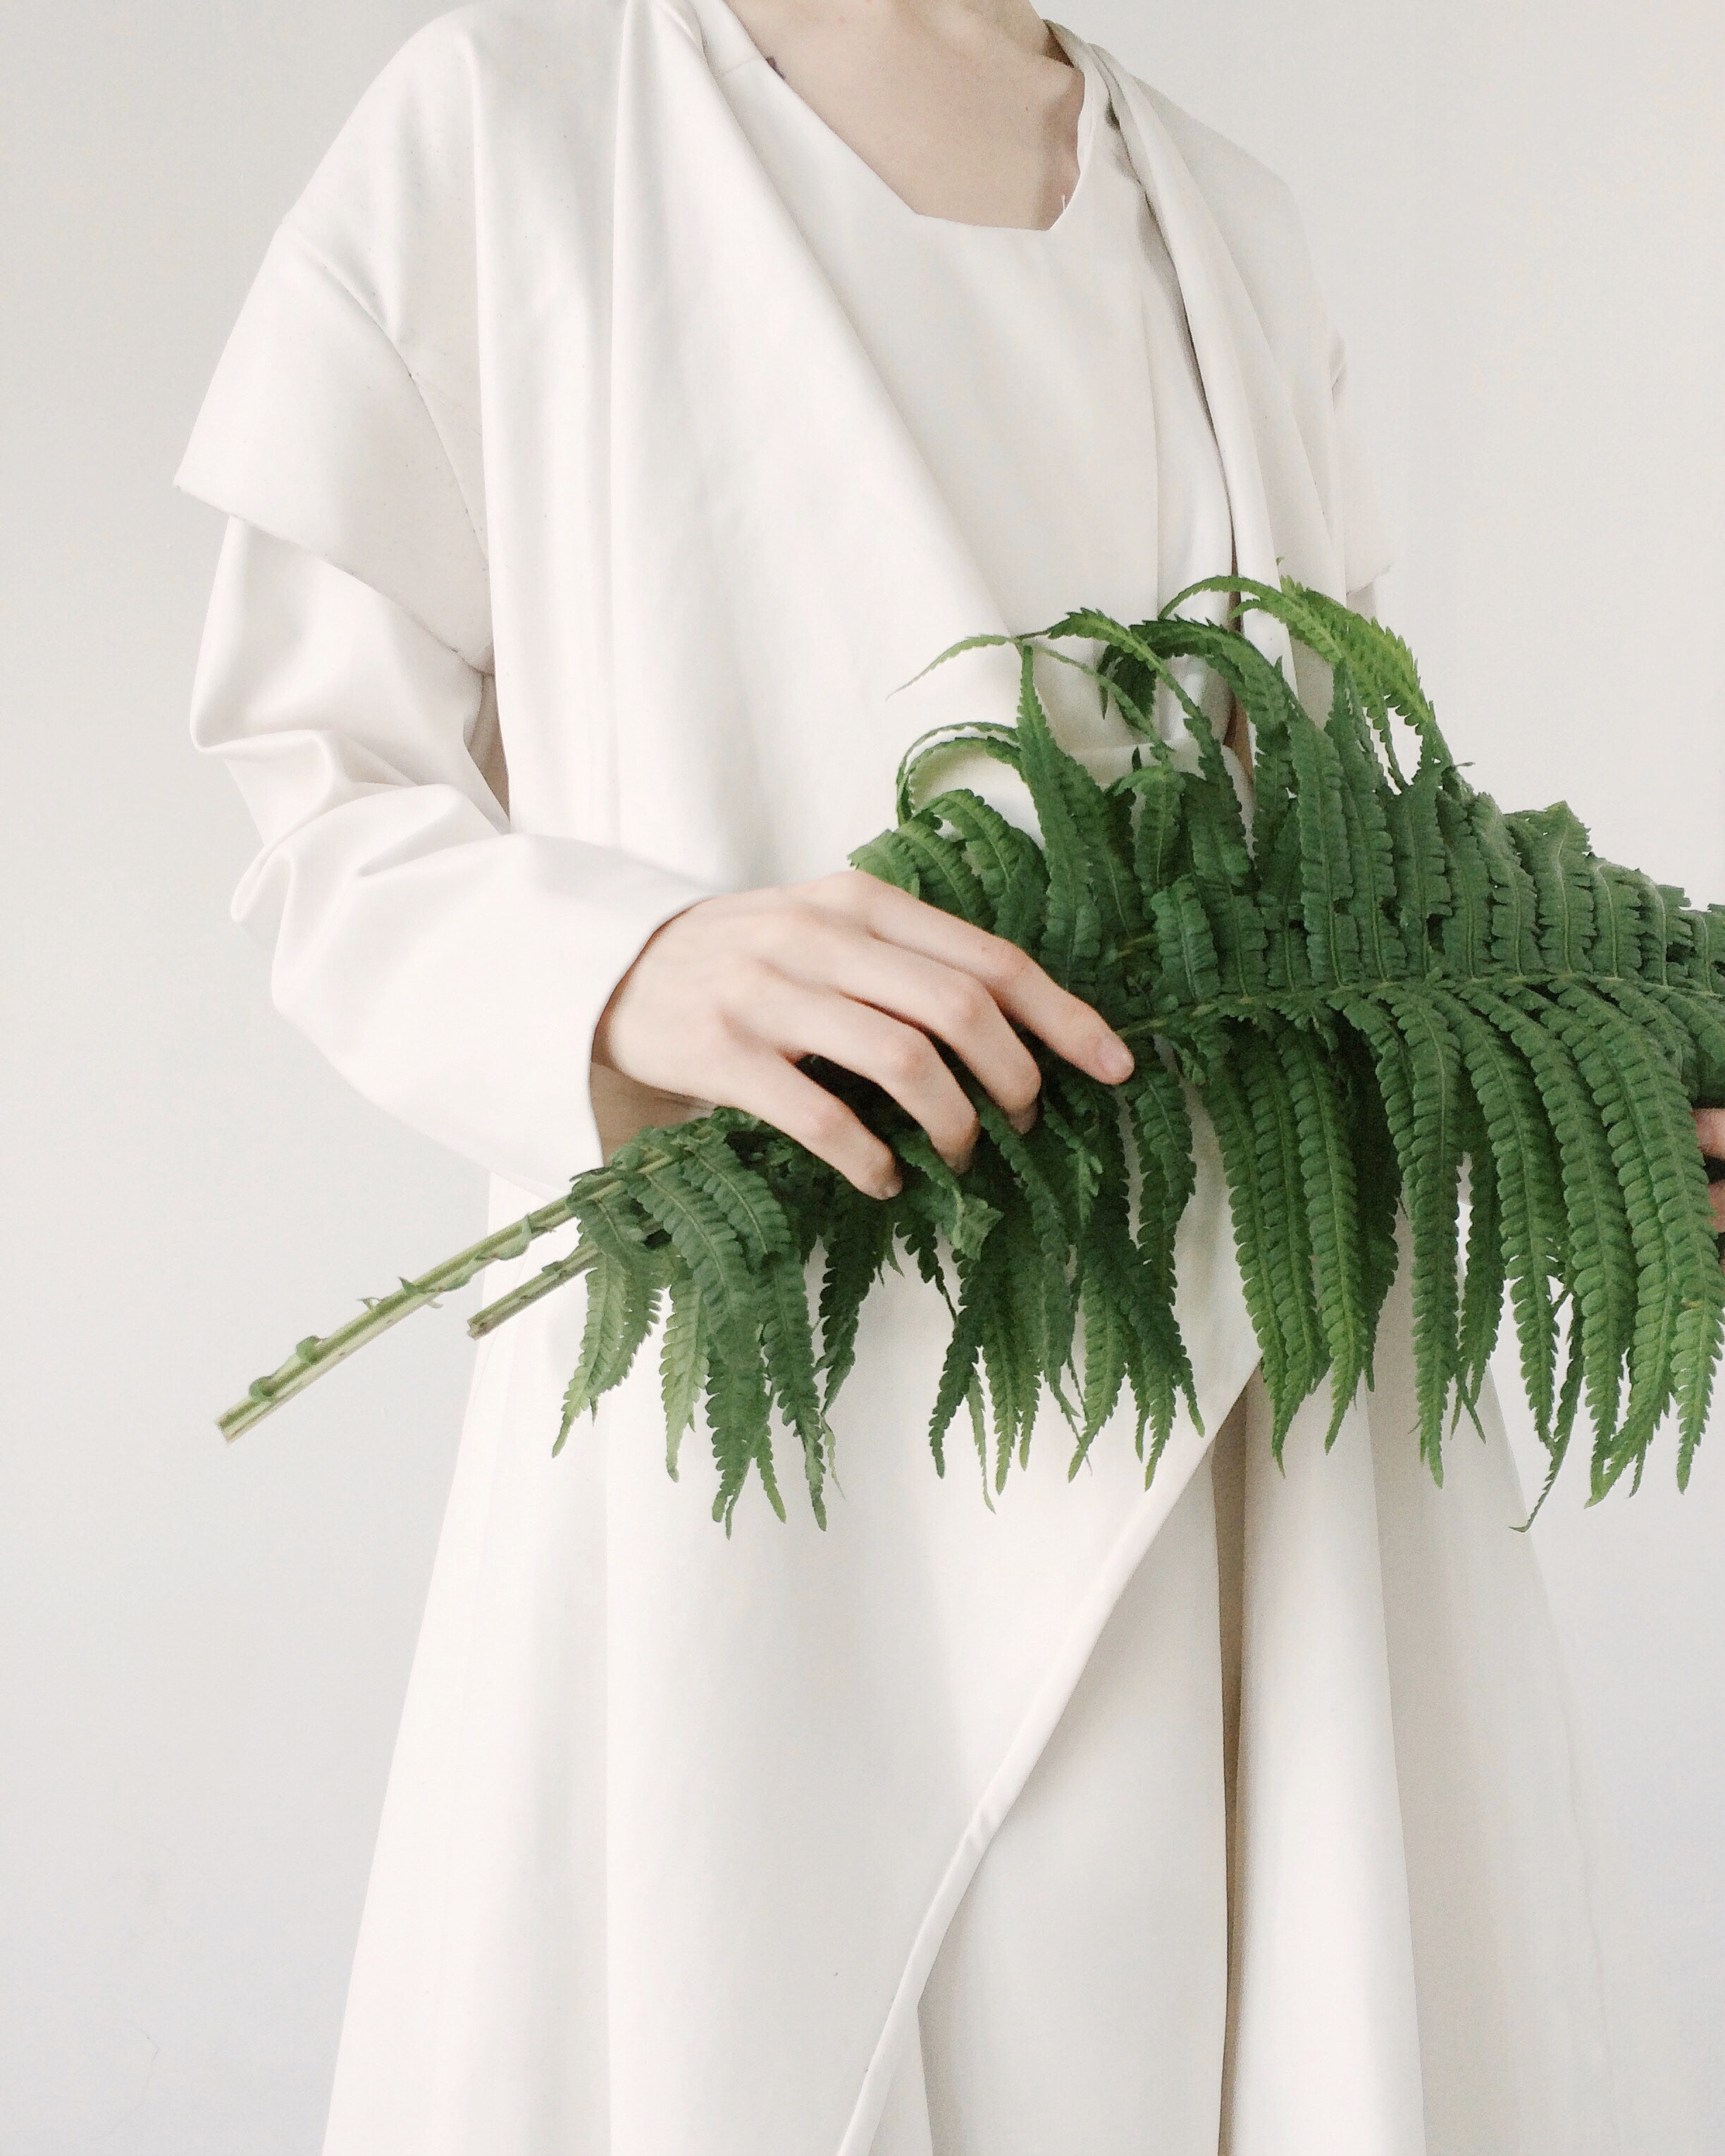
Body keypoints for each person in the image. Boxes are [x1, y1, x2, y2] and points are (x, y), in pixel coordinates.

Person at [180, 1, 1709, 2149]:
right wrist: (626, 965)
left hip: (1238, 1458)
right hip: (767, 1420)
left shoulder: (1227, 235)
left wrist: (1601, 1092)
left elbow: (1358, 882)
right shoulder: (514, 133)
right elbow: (314, 788)